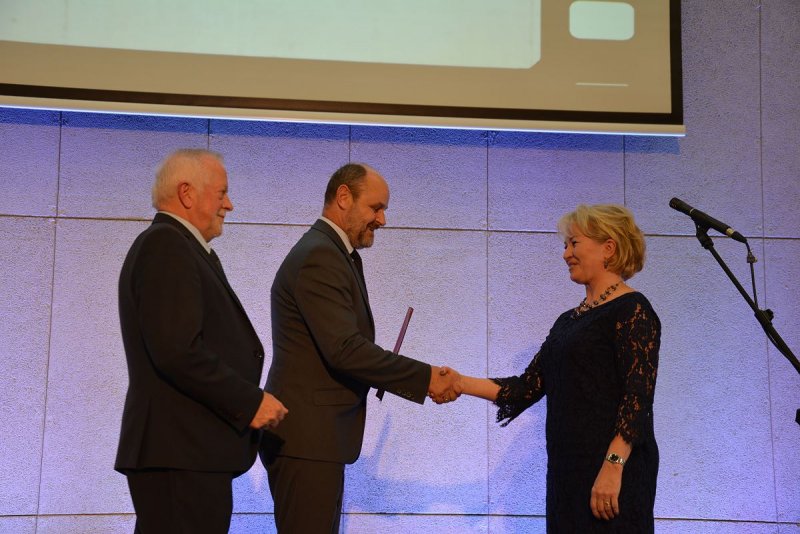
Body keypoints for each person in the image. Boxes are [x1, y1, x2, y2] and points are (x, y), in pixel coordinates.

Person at [260, 162, 461, 533]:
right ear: (343, 197)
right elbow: (345, 350)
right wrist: (426, 378)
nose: (382, 219)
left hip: (314, 442)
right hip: (306, 441)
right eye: (376, 207)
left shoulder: (334, 253)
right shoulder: (320, 255)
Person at [440, 204, 660, 533]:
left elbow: (638, 398)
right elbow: (526, 387)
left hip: (612, 474)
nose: (566, 254)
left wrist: (613, 466)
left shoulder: (632, 309)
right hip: (568, 475)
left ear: (608, 248)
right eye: (565, 245)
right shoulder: (568, 321)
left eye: (574, 243)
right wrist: (459, 382)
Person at [115, 148, 288, 533]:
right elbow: (177, 351)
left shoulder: (180, 246)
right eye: (222, 193)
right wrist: (249, 401)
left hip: (188, 452)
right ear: (187, 193)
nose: (229, 204)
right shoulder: (167, 244)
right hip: (180, 452)